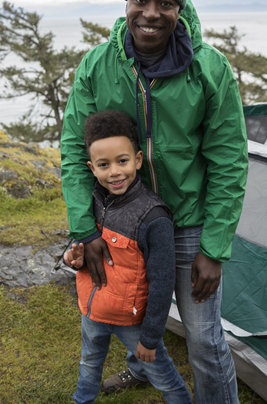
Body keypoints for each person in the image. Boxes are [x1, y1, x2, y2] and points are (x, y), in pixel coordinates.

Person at [61, 0, 248, 403]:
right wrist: (85, 229)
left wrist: (215, 247)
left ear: (179, 9)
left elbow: (229, 160)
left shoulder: (210, 69)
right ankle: (141, 370)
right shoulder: (97, 65)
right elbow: (73, 149)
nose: (151, 13)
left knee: (204, 337)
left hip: (187, 220)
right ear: (126, 4)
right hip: (120, 219)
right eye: (140, 0)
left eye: (165, 3)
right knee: (130, 306)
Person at [64, 110, 192, 404]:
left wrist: (149, 337)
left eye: (122, 161)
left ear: (137, 159)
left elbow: (162, 282)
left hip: (132, 322)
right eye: (104, 165)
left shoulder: (153, 217)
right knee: (89, 364)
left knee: (163, 376)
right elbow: (80, 248)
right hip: (92, 310)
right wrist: (74, 257)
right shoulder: (92, 202)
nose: (114, 172)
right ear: (91, 168)